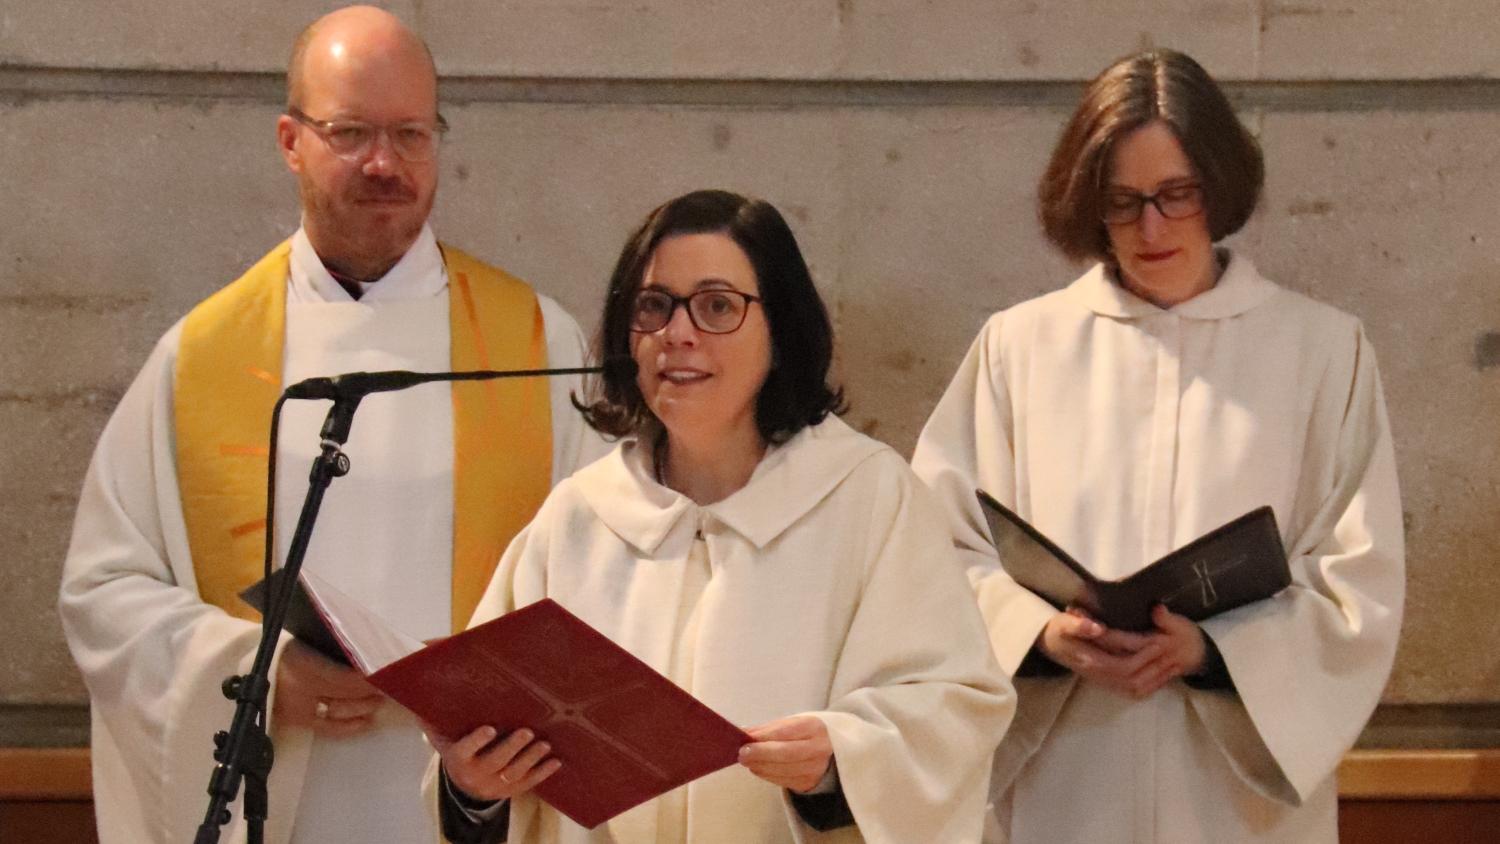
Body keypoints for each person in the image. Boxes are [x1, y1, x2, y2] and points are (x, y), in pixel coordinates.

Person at [57, 6, 604, 842]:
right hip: (283, 801)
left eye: (411, 134)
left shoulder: (534, 341)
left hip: (472, 805)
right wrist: (254, 672)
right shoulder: (201, 357)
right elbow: (103, 593)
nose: (384, 163)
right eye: (351, 132)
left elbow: (609, 583)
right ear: (290, 140)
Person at [911, 49, 1403, 843]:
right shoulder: (1020, 350)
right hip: (1067, 782)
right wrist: (1035, 631)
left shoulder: (1319, 353)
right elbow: (933, 549)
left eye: (1177, 195)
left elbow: (1359, 585)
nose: (1151, 227)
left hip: (1236, 800)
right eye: (1123, 201)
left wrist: (1213, 650)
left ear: (1220, 185)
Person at [428, 189, 1016, 843]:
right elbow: (484, 736)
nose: (678, 333)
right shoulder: (582, 516)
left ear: (781, 331)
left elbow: (955, 707)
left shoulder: (867, 497)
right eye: (655, 307)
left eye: (716, 306)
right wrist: (474, 787)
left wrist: (838, 758)